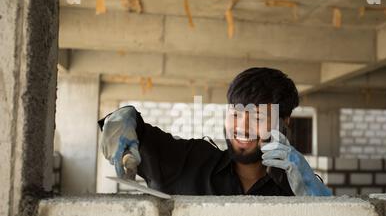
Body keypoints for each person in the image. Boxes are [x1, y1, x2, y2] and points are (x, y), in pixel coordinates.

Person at [98, 67, 331, 196]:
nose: (242, 126)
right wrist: (120, 119)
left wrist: (318, 202)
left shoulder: (298, 185)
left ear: (285, 121)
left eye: (258, 116)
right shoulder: (187, 162)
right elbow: (136, 130)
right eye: (236, 113)